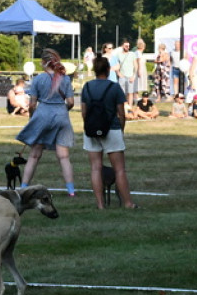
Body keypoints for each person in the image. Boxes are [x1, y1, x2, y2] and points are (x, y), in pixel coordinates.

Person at [16, 49, 76, 196]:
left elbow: (32, 104)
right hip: (61, 115)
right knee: (63, 156)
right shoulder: (65, 79)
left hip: (42, 115)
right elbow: (70, 102)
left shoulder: (38, 79)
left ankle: (23, 187)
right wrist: (62, 110)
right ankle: (71, 191)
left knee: (34, 154)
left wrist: (32, 118)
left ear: (43, 63)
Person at [81, 57, 136, 210]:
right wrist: (121, 129)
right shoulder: (114, 87)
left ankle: (100, 205)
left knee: (95, 168)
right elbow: (121, 113)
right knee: (119, 169)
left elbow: (84, 112)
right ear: (107, 69)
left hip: (91, 130)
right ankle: (128, 203)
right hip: (111, 129)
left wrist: (89, 126)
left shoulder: (87, 87)